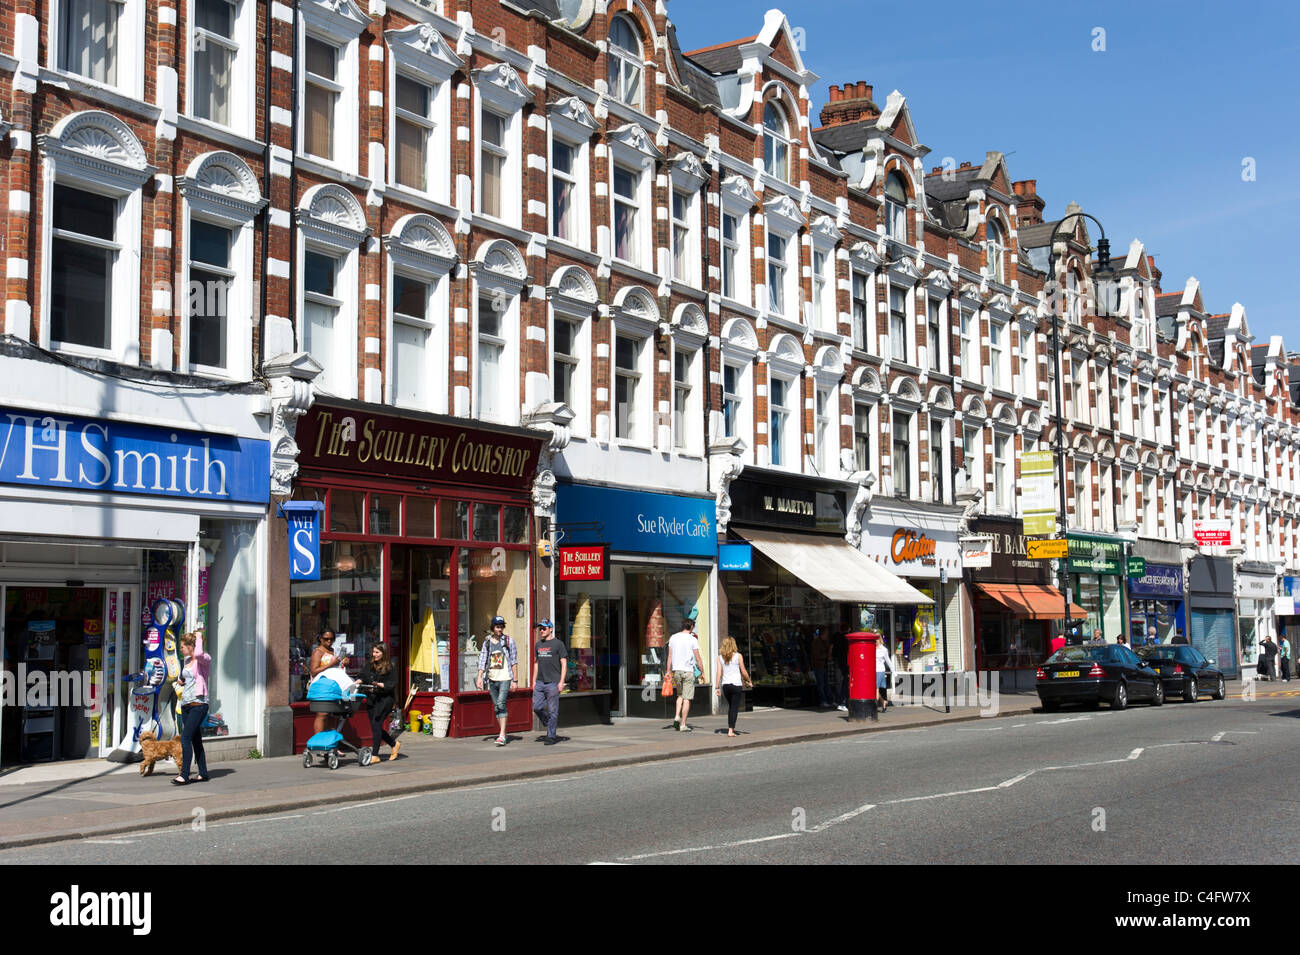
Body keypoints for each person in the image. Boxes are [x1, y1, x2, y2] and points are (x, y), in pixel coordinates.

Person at [172, 631, 210, 785]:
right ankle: (203, 773)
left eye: (183, 646)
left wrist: (199, 637)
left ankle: (184, 775)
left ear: (190, 646)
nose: (181, 649)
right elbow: (188, 677)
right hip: (186, 705)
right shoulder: (187, 660)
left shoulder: (204, 659)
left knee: (185, 738)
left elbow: (199, 653)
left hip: (198, 705)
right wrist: (181, 681)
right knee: (195, 740)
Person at [476, 615, 518, 746]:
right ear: (493, 628)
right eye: (497, 627)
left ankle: (501, 734)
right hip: (492, 679)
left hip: (505, 678)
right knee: (497, 707)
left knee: (501, 704)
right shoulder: (487, 642)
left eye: (501, 626)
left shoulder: (509, 641)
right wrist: (479, 677)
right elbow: (482, 660)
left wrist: (515, 680)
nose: (500, 629)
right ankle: (503, 733)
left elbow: (514, 661)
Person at [360, 642, 401, 762]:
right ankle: (393, 744)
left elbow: (392, 683)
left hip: (385, 700)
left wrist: (380, 685)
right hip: (372, 699)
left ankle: (375, 755)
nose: (374, 654)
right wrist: (358, 681)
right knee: (375, 727)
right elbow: (363, 675)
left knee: (376, 724)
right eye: (373, 652)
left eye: (377, 652)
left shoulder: (390, 666)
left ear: (384, 653)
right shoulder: (370, 664)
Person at [666, 617, 705, 732]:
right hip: (688, 671)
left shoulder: (673, 637)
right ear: (691, 627)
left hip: (676, 671)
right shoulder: (692, 639)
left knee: (680, 695)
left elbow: (670, 656)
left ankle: (677, 716)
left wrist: (668, 671)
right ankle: (683, 724)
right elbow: (698, 657)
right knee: (687, 698)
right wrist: (702, 672)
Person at [531, 620, 566, 745]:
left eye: (544, 628)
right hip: (540, 682)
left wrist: (561, 681)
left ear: (551, 629)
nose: (541, 631)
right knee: (536, 707)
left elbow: (564, 663)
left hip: (553, 682)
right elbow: (536, 663)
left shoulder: (558, 644)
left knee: (552, 710)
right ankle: (548, 722)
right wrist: (534, 680)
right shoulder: (538, 645)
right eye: (540, 629)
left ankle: (551, 736)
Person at [309, 630, 349, 738]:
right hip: (322, 687)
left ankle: (332, 743)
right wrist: (331, 664)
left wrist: (344, 663)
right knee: (322, 714)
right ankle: (319, 743)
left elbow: (338, 668)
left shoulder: (334, 651)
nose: (329, 641)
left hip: (335, 686)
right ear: (320, 639)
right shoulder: (318, 652)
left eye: (332, 639)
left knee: (334, 715)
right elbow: (313, 671)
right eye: (326, 639)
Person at [714, 637, 753, 737]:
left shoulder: (719, 658)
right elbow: (743, 671)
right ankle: (731, 730)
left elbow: (719, 673)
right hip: (736, 685)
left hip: (726, 686)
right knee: (734, 708)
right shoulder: (738, 656)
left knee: (731, 707)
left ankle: (730, 728)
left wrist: (717, 687)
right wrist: (749, 681)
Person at [810, 628, 832, 707]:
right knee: (821, 684)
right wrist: (826, 656)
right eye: (826, 634)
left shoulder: (825, 641)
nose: (827, 635)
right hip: (819, 665)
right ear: (823, 634)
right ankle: (823, 700)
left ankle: (829, 700)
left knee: (825, 684)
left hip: (824, 665)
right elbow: (816, 655)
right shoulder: (816, 642)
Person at [876, 637, 895, 711]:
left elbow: (888, 661)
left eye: (876, 639)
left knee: (876, 689)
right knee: (876, 689)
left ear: (879, 639)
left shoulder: (884, 650)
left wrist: (893, 671)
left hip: (879, 670)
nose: (875, 641)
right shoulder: (871, 647)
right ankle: (883, 701)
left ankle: (874, 707)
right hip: (871, 671)